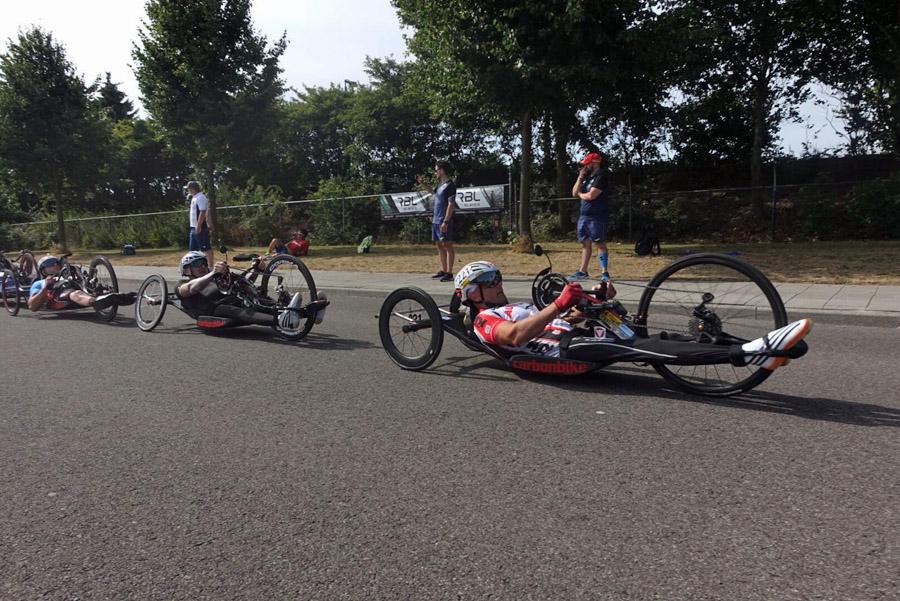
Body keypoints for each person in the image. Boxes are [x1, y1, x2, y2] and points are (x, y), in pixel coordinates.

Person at [453, 261, 811, 369]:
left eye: (497, 276)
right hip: (566, 351)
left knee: (657, 338)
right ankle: (747, 353)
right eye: (488, 280)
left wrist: (589, 302)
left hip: (576, 333)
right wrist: (559, 305)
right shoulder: (486, 320)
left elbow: (560, 318)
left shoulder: (514, 305)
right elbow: (516, 338)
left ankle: (757, 348)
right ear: (472, 293)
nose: (498, 282)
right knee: (648, 349)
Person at [175, 252, 327, 327]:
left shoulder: (217, 277)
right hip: (214, 309)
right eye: (196, 264)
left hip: (236, 298)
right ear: (187, 269)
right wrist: (212, 273)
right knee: (239, 311)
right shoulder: (181, 284)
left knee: (259, 296)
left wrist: (256, 270)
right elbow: (191, 289)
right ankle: (281, 320)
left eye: (203, 263)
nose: (202, 266)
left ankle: (311, 313)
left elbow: (243, 282)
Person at [27, 255, 135, 312]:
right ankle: (94, 301)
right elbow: (32, 306)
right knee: (73, 293)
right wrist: (45, 286)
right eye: (50, 264)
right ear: (43, 270)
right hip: (58, 296)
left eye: (56, 263)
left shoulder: (64, 272)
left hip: (74, 285)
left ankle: (119, 296)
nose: (55, 265)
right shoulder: (39, 283)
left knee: (82, 282)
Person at [569, 152, 611, 281]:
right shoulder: (586, 177)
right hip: (584, 216)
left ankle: (604, 272)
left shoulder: (601, 176)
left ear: (594, 163)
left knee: (599, 243)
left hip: (597, 217)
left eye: (586, 164)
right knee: (585, 243)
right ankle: (583, 271)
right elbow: (574, 192)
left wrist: (581, 195)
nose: (584, 167)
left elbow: (591, 196)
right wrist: (580, 177)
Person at [430, 161, 458, 282]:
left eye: (436, 170)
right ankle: (443, 270)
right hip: (435, 220)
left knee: (447, 245)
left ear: (442, 170)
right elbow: (432, 192)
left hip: (443, 220)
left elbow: (451, 204)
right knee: (439, 245)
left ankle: (449, 273)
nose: (435, 172)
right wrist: (422, 183)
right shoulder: (440, 184)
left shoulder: (450, 185)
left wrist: (445, 221)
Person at [186, 180, 213, 267]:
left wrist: (199, 226)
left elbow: (203, 212)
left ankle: (210, 267)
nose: (188, 191)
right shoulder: (194, 198)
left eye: (188, 189)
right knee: (193, 250)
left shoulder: (201, 197)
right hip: (193, 228)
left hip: (200, 228)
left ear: (193, 189)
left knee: (206, 249)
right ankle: (195, 268)